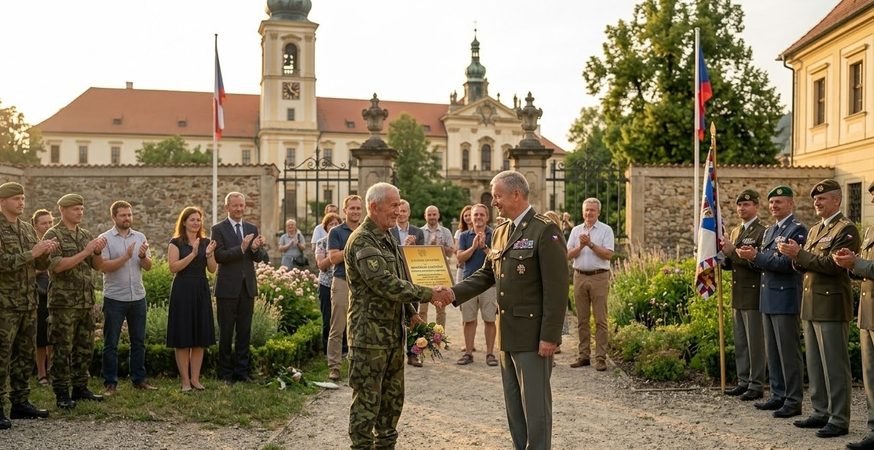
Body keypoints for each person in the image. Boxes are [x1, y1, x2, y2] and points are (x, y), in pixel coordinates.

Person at [442, 170, 568, 450]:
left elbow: (557, 289)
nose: (493, 202)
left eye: (497, 195)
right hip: (507, 335)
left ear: (516, 194)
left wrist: (550, 335)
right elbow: (486, 275)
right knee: (514, 406)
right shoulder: (500, 232)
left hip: (534, 336)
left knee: (536, 409)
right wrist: (453, 292)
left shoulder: (544, 230)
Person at [344, 182, 451, 450]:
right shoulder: (362, 240)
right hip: (369, 338)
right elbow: (383, 283)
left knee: (392, 402)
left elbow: (399, 278)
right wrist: (428, 294)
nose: (398, 210)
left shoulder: (387, 236)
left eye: (399, 204)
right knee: (367, 404)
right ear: (374, 206)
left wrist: (412, 314)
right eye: (393, 205)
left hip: (392, 337)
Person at [777, 179, 860, 439]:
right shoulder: (814, 230)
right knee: (814, 363)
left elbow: (832, 266)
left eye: (822, 199)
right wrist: (794, 257)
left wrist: (799, 255)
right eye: (815, 199)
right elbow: (808, 264)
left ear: (836, 200)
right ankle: (820, 410)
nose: (816, 202)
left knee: (834, 365)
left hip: (831, 304)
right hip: (811, 304)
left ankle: (839, 418)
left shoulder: (846, 229)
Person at [736, 185, 807, 419]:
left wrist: (756, 256)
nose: (774, 206)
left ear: (791, 204)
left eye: (780, 202)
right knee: (773, 352)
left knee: (788, 351)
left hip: (785, 296)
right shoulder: (769, 232)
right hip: (767, 296)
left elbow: (786, 263)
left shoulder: (796, 229)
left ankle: (793, 399)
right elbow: (764, 264)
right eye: (772, 202)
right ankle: (777, 395)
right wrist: (754, 258)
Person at [0, 183, 57, 429]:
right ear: (3, 202)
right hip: (5, 304)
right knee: (2, 357)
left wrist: (45, 252)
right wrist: (33, 254)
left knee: (24, 355)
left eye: (23, 198)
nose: (21, 202)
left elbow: (39, 264)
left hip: (27, 302)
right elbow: (3, 262)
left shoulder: (25, 228)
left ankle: (20, 403)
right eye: (16, 199)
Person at [44, 193, 107, 409]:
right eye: (75, 209)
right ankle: (61, 392)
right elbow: (57, 266)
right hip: (63, 303)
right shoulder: (53, 235)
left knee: (85, 347)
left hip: (85, 302)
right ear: (62, 210)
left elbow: (97, 266)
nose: (80, 212)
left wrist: (96, 252)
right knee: (62, 349)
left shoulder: (84, 235)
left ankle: (80, 388)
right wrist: (86, 250)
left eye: (81, 208)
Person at [98, 201, 156, 395]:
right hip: (115, 298)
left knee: (138, 341)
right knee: (111, 343)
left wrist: (141, 257)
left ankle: (139, 380)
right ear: (113, 217)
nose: (127, 218)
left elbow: (148, 266)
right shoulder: (105, 239)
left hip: (138, 297)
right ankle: (110, 383)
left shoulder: (140, 237)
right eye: (123, 215)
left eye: (129, 215)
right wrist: (126, 256)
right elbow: (103, 267)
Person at [835, 181, 874, 450]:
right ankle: (873, 429)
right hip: (868, 313)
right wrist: (851, 263)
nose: (872, 202)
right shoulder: (871, 229)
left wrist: (857, 263)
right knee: (870, 376)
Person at [211, 192, 265, 384]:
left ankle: (242, 372)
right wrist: (241, 248)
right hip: (227, 288)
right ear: (227, 207)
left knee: (244, 332)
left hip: (247, 287)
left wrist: (255, 248)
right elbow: (219, 256)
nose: (239, 209)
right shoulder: (218, 229)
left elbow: (259, 258)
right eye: (235, 206)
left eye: (242, 205)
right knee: (226, 333)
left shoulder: (251, 227)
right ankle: (225, 374)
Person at [720, 189, 766, 401]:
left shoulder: (762, 232)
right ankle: (743, 381)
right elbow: (732, 264)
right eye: (739, 205)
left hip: (753, 293)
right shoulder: (737, 231)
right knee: (741, 341)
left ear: (756, 206)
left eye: (746, 205)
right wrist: (722, 257)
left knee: (754, 342)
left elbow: (756, 263)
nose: (742, 208)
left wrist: (732, 253)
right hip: (738, 294)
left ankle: (756, 384)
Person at [167, 206, 217, 392]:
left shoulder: (206, 242)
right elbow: (173, 267)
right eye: (192, 219)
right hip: (183, 289)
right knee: (183, 337)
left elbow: (212, 269)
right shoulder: (176, 242)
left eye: (198, 219)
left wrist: (209, 254)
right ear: (184, 222)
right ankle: (185, 381)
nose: (196, 222)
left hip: (200, 289)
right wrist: (193, 254)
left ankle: (195, 379)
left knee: (199, 337)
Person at [566, 197, 615, 372]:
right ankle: (583, 355)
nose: (588, 213)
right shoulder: (576, 231)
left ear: (598, 212)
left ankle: (600, 358)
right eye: (586, 210)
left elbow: (608, 255)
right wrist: (581, 246)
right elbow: (568, 255)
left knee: (600, 319)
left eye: (592, 210)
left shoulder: (605, 230)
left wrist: (591, 244)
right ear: (582, 211)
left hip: (599, 277)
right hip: (579, 276)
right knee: (582, 320)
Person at [455, 203, 497, 366]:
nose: (478, 217)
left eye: (481, 215)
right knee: (469, 320)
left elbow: (498, 258)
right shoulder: (465, 235)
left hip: (489, 284)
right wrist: (473, 248)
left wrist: (485, 247)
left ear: (487, 217)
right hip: (469, 283)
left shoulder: (494, 234)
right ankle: (468, 352)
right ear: (471, 218)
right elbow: (459, 258)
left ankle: (490, 354)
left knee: (489, 319)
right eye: (476, 215)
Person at [326, 195, 363, 381]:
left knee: (359, 327)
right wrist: (352, 245)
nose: (355, 211)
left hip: (363, 284)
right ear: (344, 211)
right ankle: (334, 366)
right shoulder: (336, 232)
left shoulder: (367, 231)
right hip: (342, 281)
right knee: (338, 327)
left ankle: (357, 365)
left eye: (358, 208)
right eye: (352, 208)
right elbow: (332, 259)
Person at [388, 199, 426, 367]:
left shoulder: (418, 232)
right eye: (399, 210)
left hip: (412, 280)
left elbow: (422, 256)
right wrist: (403, 247)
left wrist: (414, 247)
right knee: (394, 318)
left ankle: (413, 354)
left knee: (414, 318)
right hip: (394, 279)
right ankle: (394, 354)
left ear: (409, 213)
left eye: (404, 211)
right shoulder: (388, 231)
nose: (401, 214)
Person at [419, 205, 454, 328]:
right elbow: (416, 254)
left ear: (438, 215)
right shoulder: (419, 232)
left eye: (434, 214)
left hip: (440, 274)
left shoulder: (446, 232)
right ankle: (422, 339)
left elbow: (451, 251)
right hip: (423, 275)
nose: (432, 217)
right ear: (425, 216)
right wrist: (429, 246)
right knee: (422, 310)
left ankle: (440, 339)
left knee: (441, 309)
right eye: (429, 214)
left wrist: (438, 247)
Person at [32, 209, 54, 387]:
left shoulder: (57, 242)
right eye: (43, 223)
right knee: (41, 337)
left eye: (49, 222)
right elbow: (27, 270)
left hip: (57, 294)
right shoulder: (32, 245)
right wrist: (45, 266)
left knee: (54, 336)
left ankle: (53, 370)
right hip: (39, 294)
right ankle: (41, 374)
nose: (47, 226)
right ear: (35, 226)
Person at [314, 212, 341, 352]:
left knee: (342, 318)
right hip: (326, 284)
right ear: (325, 227)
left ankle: (343, 348)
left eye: (336, 224)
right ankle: (327, 348)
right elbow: (321, 265)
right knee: (327, 318)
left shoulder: (344, 241)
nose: (334, 226)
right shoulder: (321, 243)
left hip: (342, 283)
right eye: (331, 224)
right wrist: (334, 255)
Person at [454, 205, 473, 283]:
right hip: (462, 265)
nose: (468, 217)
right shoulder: (459, 232)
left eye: (469, 215)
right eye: (465, 216)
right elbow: (456, 249)